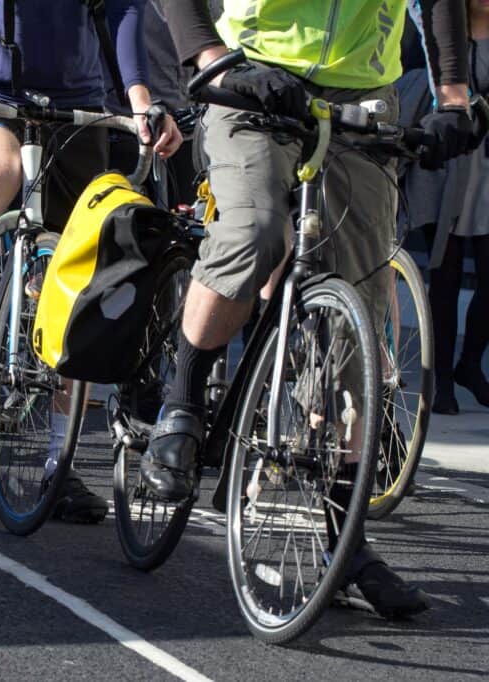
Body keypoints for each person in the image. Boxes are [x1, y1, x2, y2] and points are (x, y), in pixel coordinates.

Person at [152, 0, 479, 618]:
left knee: (357, 313)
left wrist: (455, 98)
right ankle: (183, 403)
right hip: (250, 75)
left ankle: (348, 543)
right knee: (253, 234)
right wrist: (212, 57)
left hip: (362, 92)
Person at [0, 0, 182, 523]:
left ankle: (57, 465)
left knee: (78, 274)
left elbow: (122, 9)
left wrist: (138, 99)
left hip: (77, 104)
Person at [407, 0, 489, 413]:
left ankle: (470, 362)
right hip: (442, 170)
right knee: (445, 274)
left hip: (485, 175)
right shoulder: (436, 34)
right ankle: (440, 380)